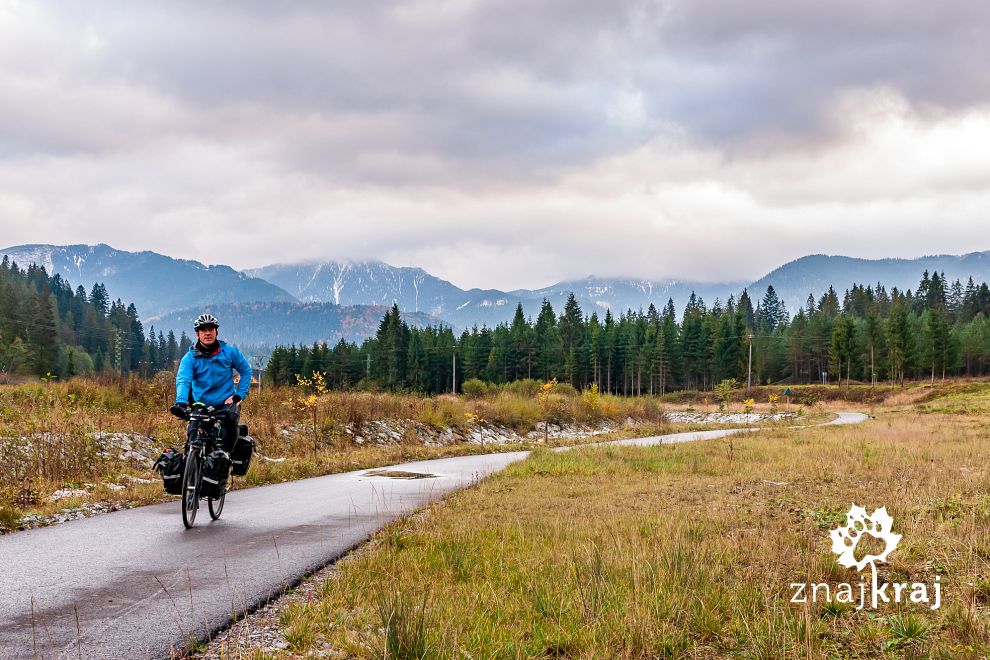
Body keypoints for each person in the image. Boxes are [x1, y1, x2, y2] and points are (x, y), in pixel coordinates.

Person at [174, 313, 252, 455]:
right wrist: (181, 402)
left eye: (211, 329)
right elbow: (183, 380)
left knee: (230, 423)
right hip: (200, 403)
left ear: (216, 331)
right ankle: (191, 464)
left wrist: (239, 395)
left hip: (225, 401)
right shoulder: (190, 357)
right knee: (193, 433)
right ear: (198, 334)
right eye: (203, 330)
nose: (208, 333)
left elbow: (246, 370)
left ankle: (225, 459)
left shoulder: (229, 352)